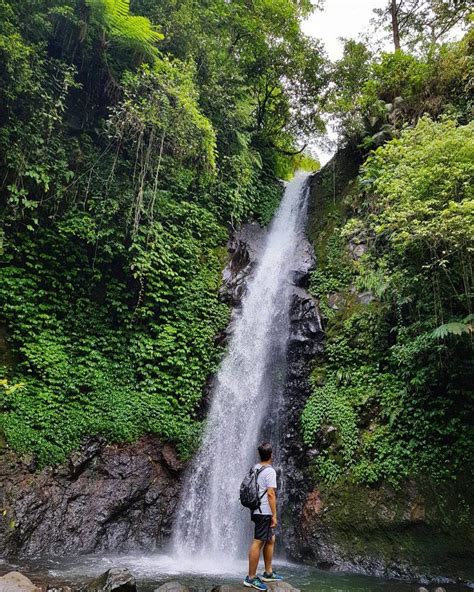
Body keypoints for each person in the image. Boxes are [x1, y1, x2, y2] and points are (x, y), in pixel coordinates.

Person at [243, 442, 284, 590]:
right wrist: (274, 515)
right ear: (271, 455)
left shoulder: (256, 467)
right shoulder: (270, 471)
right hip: (264, 512)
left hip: (256, 510)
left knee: (270, 538)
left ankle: (268, 572)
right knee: (258, 542)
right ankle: (251, 578)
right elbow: (271, 494)